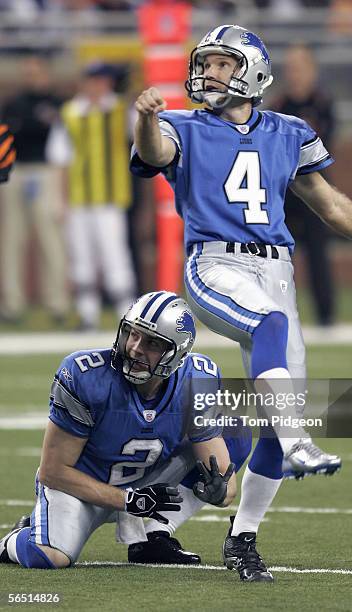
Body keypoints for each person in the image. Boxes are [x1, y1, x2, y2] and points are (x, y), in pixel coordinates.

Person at [130, 24, 352, 582]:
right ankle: (299, 441)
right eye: (205, 63)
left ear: (253, 71)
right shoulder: (183, 126)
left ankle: (243, 539)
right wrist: (144, 117)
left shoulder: (290, 131)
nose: (208, 72)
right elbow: (153, 150)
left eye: (221, 64)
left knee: (274, 404)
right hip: (215, 262)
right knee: (271, 333)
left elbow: (328, 203)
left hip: (276, 269)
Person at [0, 291, 251, 569]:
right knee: (48, 556)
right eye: (133, 333)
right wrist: (128, 500)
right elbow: (52, 472)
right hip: (80, 487)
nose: (135, 348)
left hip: (146, 481)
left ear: (176, 353)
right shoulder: (86, 376)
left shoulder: (197, 379)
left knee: (235, 430)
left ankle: (155, 537)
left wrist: (217, 493)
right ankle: (13, 539)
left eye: (153, 343)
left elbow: (225, 486)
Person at [46, 62, 136, 330]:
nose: (97, 86)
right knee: (82, 258)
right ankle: (88, 315)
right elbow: (60, 159)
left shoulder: (121, 109)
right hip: (79, 198)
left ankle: (127, 316)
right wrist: (61, 200)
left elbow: (142, 136)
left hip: (110, 198)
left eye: (102, 80)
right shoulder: (71, 112)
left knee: (115, 255)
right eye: (93, 80)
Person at [0, 55, 69, 325]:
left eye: (35, 72)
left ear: (46, 74)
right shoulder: (13, 104)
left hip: (45, 172)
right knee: (13, 239)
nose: (31, 78)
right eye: (27, 73)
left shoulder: (56, 103)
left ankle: (57, 303)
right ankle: (12, 304)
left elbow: (60, 141)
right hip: (17, 172)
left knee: (50, 238)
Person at [271, 44, 336, 326]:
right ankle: (278, 314)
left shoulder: (323, 103)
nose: (295, 75)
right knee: (279, 257)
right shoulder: (279, 106)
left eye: (300, 68)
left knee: (318, 253)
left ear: (312, 71)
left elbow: (325, 149)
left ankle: (326, 316)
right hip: (284, 191)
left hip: (313, 187)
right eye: (290, 69)